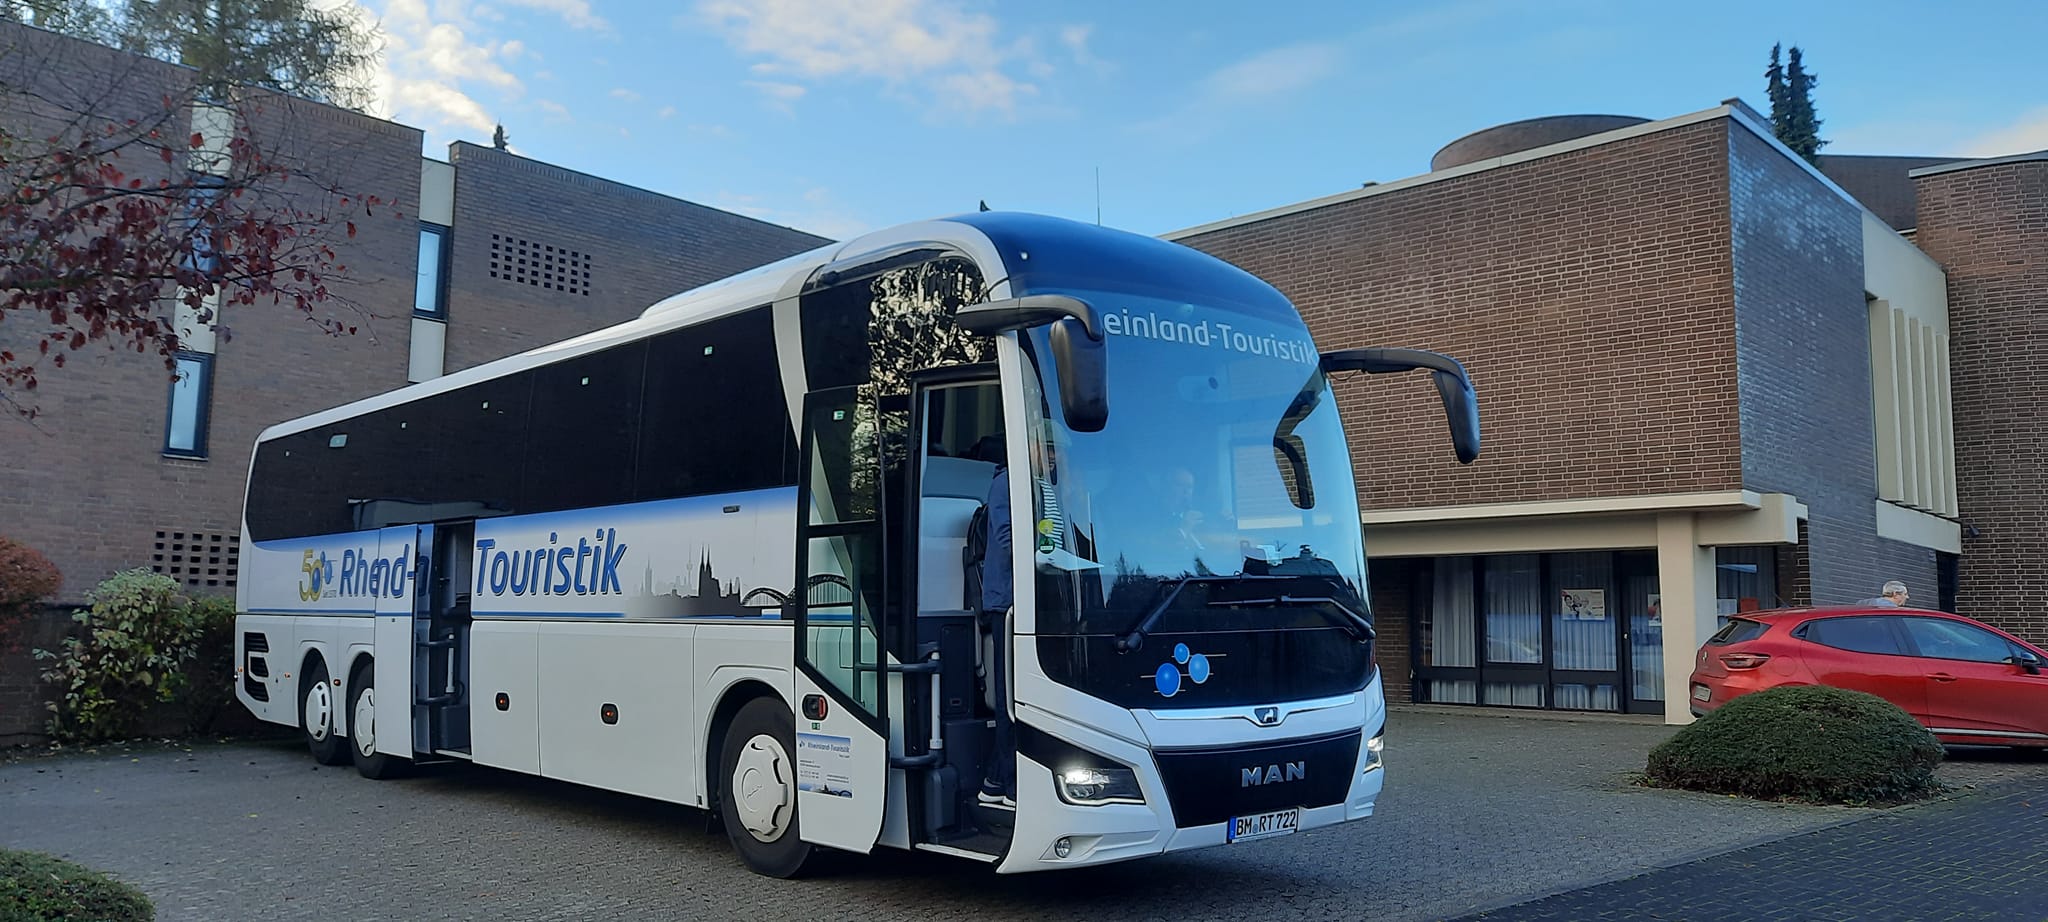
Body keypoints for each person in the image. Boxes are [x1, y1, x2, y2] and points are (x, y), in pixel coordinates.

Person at [976, 439, 1016, 809]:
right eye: (1050, 448)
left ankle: (998, 781)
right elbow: (1007, 539)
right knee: (1010, 697)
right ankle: (1005, 783)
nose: (1054, 457)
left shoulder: (1042, 485)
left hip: (1024, 601)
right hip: (1007, 601)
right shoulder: (1006, 483)